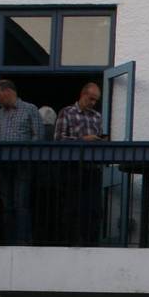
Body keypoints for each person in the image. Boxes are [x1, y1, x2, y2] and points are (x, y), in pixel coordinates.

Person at [0, 77, 45, 244]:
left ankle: (23, 240)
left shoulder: (30, 109)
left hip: (23, 164)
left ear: (8, 92)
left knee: (21, 202)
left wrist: (26, 153)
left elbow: (39, 137)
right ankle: (9, 240)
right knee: (7, 204)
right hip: (4, 165)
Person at [53, 80, 105, 245]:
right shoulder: (67, 112)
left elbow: (98, 136)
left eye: (96, 100)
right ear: (82, 95)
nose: (93, 103)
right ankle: (71, 242)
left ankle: (90, 242)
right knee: (72, 206)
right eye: (91, 99)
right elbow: (58, 139)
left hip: (92, 167)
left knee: (93, 208)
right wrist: (83, 140)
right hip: (72, 166)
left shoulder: (97, 116)